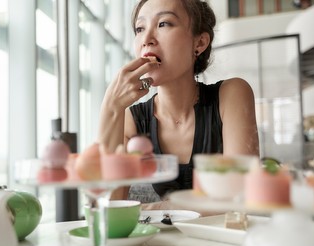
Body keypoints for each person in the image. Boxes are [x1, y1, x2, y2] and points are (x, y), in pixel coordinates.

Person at [97, 0, 259, 208]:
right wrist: (110, 107)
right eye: (139, 28)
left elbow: (240, 198)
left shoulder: (232, 94)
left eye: (163, 24)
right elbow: (107, 209)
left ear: (199, 43)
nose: (146, 39)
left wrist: (152, 210)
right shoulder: (132, 119)